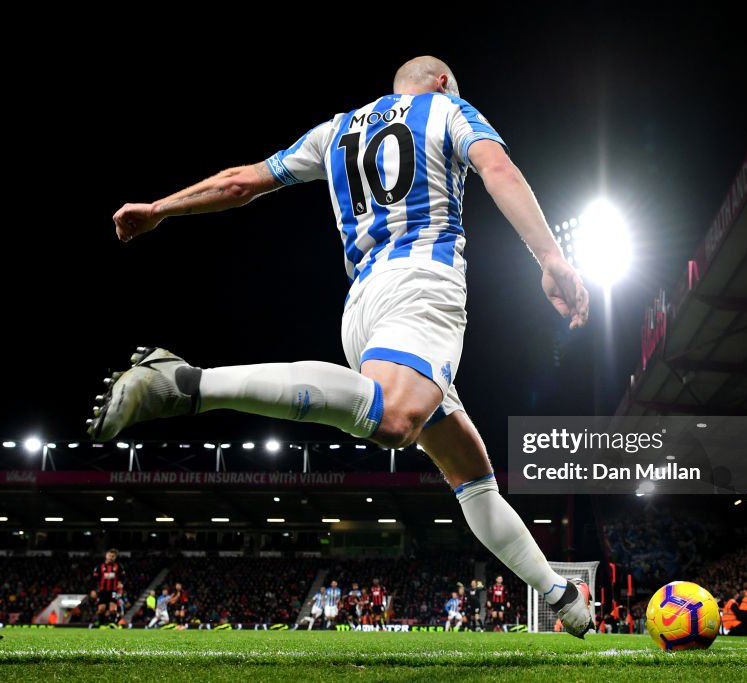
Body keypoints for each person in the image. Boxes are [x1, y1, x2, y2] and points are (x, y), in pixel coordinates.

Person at [94, 55, 594, 638]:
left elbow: (241, 183)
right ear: (441, 82)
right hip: (421, 283)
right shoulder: (448, 109)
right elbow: (498, 168)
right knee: (398, 419)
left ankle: (563, 599)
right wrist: (552, 258)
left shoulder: (336, 130)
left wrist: (161, 208)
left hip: (362, 307)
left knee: (471, 473)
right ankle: (186, 384)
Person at [91, 549, 124, 627]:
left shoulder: (119, 566)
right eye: (109, 555)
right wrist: (93, 590)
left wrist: (120, 583)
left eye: (113, 556)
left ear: (115, 557)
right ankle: (100, 624)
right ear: (106, 556)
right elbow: (94, 579)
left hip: (114, 591)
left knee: (113, 609)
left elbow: (123, 577)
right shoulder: (99, 567)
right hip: (102, 591)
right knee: (101, 609)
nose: (110, 557)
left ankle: (113, 623)